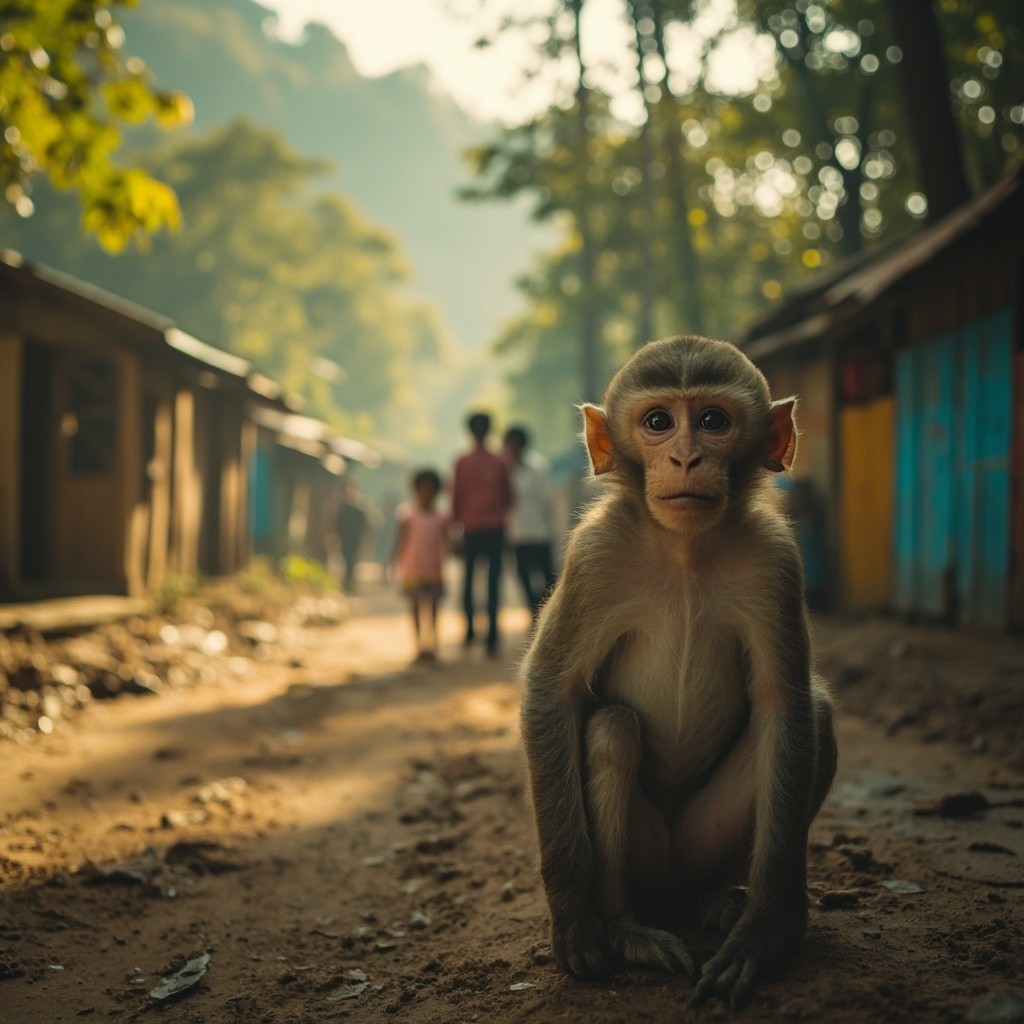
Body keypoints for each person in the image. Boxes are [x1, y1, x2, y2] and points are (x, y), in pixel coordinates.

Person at [450, 411, 513, 655]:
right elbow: (509, 498)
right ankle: (492, 636)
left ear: (469, 431)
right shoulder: (499, 462)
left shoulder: (462, 462)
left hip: (471, 528)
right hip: (495, 528)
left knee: (468, 579)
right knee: (493, 582)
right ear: (490, 430)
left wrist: (458, 525)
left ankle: (469, 631)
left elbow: (456, 498)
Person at [393, 468, 449, 664]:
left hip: (434, 570)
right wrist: (395, 563)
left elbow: (448, 541)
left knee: (433, 610)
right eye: (422, 489)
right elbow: (400, 541)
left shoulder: (442, 517)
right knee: (415, 608)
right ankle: (419, 647)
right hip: (413, 569)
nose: (426, 493)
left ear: (437, 491)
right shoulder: (407, 515)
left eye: (430, 489)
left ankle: (432, 646)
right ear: (415, 490)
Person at [502, 425, 557, 619]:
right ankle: (535, 615)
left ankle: (549, 615)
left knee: (548, 579)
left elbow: (547, 499)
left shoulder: (538, 466)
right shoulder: (504, 469)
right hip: (516, 533)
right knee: (523, 578)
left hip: (539, 531)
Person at [334, 482, 370, 594]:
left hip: (353, 541)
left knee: (350, 561)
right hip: (348, 540)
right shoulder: (345, 510)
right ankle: (348, 583)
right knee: (349, 561)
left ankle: (348, 583)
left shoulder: (355, 511)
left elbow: (364, 527)